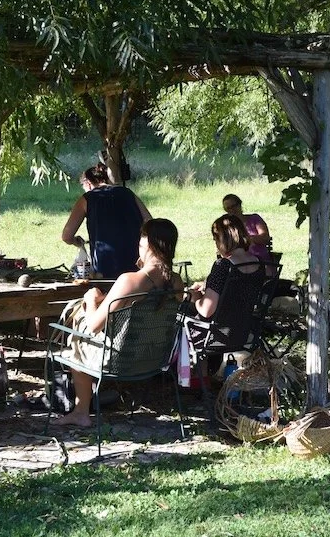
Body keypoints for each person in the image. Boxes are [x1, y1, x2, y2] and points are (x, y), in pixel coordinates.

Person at [55, 218, 183, 427]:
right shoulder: (175, 281)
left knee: (74, 348)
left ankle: (81, 412)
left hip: (116, 359)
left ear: (148, 243)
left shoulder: (130, 280)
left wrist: (89, 300)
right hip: (155, 357)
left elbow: (95, 325)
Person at [61, 162, 152, 280]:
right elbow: (150, 222)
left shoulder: (87, 199)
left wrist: (77, 242)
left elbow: (66, 236)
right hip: (134, 261)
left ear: (88, 183)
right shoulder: (127, 193)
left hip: (105, 267)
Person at [186, 214, 263, 320]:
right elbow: (237, 289)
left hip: (217, 331)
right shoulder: (259, 263)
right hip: (244, 329)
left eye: (215, 240)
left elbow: (206, 310)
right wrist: (207, 285)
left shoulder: (223, 265)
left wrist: (195, 298)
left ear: (222, 240)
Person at [222, 193, 274, 266]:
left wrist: (246, 239)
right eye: (228, 208)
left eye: (234, 206)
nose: (232, 210)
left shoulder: (255, 219)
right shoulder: (226, 225)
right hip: (236, 262)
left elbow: (265, 238)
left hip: (259, 261)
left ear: (240, 204)